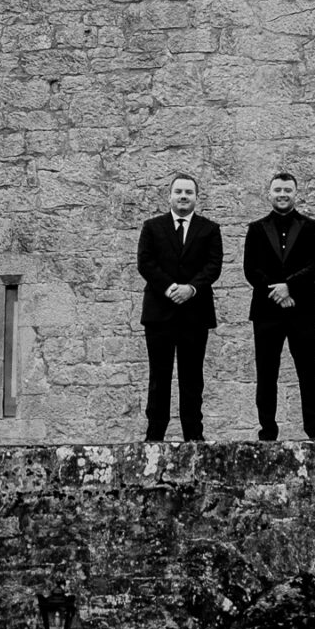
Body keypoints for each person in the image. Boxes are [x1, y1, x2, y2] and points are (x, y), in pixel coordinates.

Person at [137, 174, 223, 442]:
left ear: (196, 197)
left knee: (192, 378)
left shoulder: (209, 229)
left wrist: (191, 289)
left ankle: (194, 436)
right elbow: (146, 262)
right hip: (160, 314)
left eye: (188, 192)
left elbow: (213, 265)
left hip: (195, 314)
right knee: (159, 376)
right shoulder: (152, 227)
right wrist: (170, 288)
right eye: (178, 192)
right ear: (170, 196)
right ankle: (154, 436)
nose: (183, 196)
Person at [243, 172, 315, 441]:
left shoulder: (311, 226)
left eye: (287, 190)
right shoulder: (255, 229)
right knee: (267, 373)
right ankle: (267, 430)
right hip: (266, 312)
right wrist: (277, 291)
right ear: (269, 194)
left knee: (308, 370)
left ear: (295, 193)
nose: (282, 194)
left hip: (302, 309)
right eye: (278, 190)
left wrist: (289, 286)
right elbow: (250, 269)